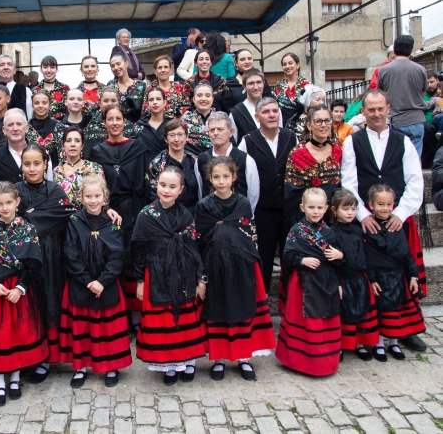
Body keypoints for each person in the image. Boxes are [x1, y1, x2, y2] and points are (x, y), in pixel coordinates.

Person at [341, 89, 428, 352]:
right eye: (371, 109)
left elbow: (415, 181)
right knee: (370, 275)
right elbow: (349, 181)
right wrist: (363, 215)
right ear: (363, 112)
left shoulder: (403, 141)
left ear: (388, 108)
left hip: (397, 218)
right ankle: (370, 334)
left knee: (403, 272)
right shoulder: (352, 142)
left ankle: (406, 329)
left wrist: (400, 213)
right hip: (365, 219)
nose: (376, 114)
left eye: (380, 109)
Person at [196, 156, 275, 381]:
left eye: (226, 176)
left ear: (234, 178)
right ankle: (219, 358)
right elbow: (202, 236)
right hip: (214, 265)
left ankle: (244, 357)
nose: (221, 181)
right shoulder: (203, 206)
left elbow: (247, 234)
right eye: (216, 177)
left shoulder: (242, 203)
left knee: (242, 308)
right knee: (218, 310)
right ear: (210, 179)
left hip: (241, 265)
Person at [0, 181, 47, 406]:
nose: (5, 208)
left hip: (18, 290)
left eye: (9, 203)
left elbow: (33, 262)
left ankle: (15, 378)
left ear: (17, 202)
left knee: (19, 331)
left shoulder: (26, 228)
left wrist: (20, 288)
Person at [10, 144, 77, 384]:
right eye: (26, 164)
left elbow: (70, 214)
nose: (31, 168)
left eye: (36, 163)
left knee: (48, 301)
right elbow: (4, 215)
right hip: (21, 256)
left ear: (45, 164)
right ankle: (28, 354)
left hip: (50, 255)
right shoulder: (15, 190)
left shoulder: (55, 190)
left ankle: (46, 357)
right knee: (27, 304)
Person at [133, 167, 207, 384]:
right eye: (163, 185)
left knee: (185, 320)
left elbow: (194, 249)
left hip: (184, 273)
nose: (166, 190)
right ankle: (169, 365)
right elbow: (137, 251)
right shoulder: (146, 215)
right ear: (156, 184)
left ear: (181, 190)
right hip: (155, 273)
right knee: (163, 321)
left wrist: (201, 279)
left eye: (172, 186)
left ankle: (188, 361)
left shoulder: (186, 215)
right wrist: (139, 281)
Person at [59, 174, 132, 387]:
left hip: (106, 283)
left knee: (106, 328)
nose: (92, 201)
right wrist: (87, 280)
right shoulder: (74, 221)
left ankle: (110, 366)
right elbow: (70, 252)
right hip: (80, 282)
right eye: (88, 196)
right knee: (81, 328)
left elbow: (118, 254)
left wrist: (102, 281)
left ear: (104, 197)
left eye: (97, 196)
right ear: (81, 197)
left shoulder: (113, 222)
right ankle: (80, 367)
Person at [90, 104, 150, 325]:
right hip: (108, 212)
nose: (114, 123)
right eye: (110, 119)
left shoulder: (138, 147)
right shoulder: (97, 151)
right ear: (104, 123)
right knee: (112, 259)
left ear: (125, 121)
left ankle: (136, 316)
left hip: (134, 209)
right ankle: (117, 316)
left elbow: (145, 183)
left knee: (134, 258)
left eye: (118, 118)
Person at [276, 187, 343, 376]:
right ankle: (300, 362)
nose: (315, 211)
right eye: (311, 207)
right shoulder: (296, 231)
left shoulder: (329, 232)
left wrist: (340, 255)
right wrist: (302, 260)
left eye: (319, 207)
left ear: (326, 209)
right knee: (305, 322)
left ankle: (325, 363)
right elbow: (287, 256)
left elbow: (341, 262)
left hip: (326, 282)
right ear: (302, 207)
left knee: (324, 321)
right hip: (303, 284)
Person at [238, 97, 298, 293]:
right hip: (263, 211)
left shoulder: (292, 137)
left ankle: (290, 303)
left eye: (274, 111)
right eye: (266, 112)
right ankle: (262, 308)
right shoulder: (247, 141)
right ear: (257, 116)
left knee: (291, 257)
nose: (271, 115)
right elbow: (242, 177)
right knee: (263, 258)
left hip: (290, 210)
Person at [362, 184, 426, 361]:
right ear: (371, 205)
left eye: (389, 204)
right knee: (381, 311)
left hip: (397, 275)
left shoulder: (397, 225)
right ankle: (379, 343)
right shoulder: (368, 227)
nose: (385, 208)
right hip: (379, 275)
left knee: (396, 309)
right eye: (380, 204)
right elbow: (369, 257)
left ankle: (395, 342)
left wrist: (412, 276)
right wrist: (373, 279)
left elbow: (406, 253)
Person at [329, 189, 380, 361]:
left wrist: (371, 278)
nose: (350, 213)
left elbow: (363, 254)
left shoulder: (358, 230)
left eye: (353, 209)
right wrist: (336, 282)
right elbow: (332, 260)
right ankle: (341, 345)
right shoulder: (331, 232)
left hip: (359, 276)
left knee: (361, 309)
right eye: (346, 209)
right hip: (343, 277)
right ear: (334, 210)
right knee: (344, 313)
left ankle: (359, 343)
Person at [283, 105, 341, 229]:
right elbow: (291, 194)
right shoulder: (298, 153)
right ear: (309, 125)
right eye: (318, 121)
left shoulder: (338, 151)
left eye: (327, 120)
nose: (324, 125)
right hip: (305, 219)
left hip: (334, 218)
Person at [377, 35, 428, 157]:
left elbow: (380, 94)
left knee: (395, 160)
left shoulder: (384, 70)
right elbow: (422, 93)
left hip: (394, 119)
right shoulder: (421, 69)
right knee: (414, 161)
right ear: (411, 49)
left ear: (394, 50)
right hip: (416, 119)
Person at [197, 113, 259, 212]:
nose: (215, 133)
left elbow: (253, 194)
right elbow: (201, 190)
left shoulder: (245, 159)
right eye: (212, 130)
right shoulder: (201, 159)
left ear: (231, 132)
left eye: (220, 129)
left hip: (238, 217)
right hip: (211, 218)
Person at [148, 119, 202, 215]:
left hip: (195, 212)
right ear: (166, 138)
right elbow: (154, 195)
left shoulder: (195, 161)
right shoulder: (158, 163)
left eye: (180, 135)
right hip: (168, 213)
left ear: (186, 137)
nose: (176, 139)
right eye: (172, 135)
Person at [0, 108, 53, 183]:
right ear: (4, 130)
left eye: (19, 124)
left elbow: (50, 184)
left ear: (27, 128)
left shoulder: (43, 153)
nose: (15, 128)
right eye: (10, 125)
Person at [53, 127, 105, 207]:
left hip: (87, 216)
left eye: (77, 141)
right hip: (61, 217)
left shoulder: (94, 168)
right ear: (63, 145)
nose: (73, 144)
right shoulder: (56, 171)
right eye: (68, 141)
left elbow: (103, 198)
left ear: (82, 145)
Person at [229, 69, 283, 144]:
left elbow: (280, 134)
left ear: (263, 83)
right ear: (244, 86)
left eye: (259, 82)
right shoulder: (235, 113)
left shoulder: (274, 108)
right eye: (251, 83)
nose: (256, 87)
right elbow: (232, 142)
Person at [83, 87, 137, 158]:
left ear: (118, 103)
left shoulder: (128, 126)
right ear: (100, 103)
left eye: (113, 100)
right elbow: (87, 155)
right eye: (105, 101)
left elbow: (134, 153)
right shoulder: (90, 126)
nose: (109, 104)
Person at [182, 49, 231, 113]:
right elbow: (185, 106)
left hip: (218, 118)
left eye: (207, 59)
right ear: (196, 63)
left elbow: (227, 104)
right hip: (195, 119)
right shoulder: (189, 83)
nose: (204, 62)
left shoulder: (220, 81)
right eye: (201, 59)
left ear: (211, 62)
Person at [107, 53, 147, 124]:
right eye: (112, 66)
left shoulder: (141, 86)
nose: (116, 67)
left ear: (126, 63)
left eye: (118, 64)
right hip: (115, 127)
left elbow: (146, 110)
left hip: (138, 128)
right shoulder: (111, 85)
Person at [135, 88, 172, 163]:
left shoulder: (172, 125)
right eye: (151, 100)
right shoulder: (139, 126)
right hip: (145, 167)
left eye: (158, 99)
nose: (155, 102)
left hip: (169, 167)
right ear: (147, 104)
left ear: (164, 103)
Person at [178, 82, 216, 155]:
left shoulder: (221, 119)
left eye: (207, 96)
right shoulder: (185, 121)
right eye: (199, 95)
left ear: (212, 99)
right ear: (193, 99)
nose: (203, 99)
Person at [30, 91, 66, 166]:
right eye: (36, 103)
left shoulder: (59, 127)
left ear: (50, 105)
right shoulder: (27, 127)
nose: (40, 106)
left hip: (55, 165)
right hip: (33, 165)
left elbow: (63, 150)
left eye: (44, 103)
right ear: (32, 106)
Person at [273, 53, 308, 127]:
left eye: (290, 63)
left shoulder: (306, 85)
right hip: (282, 124)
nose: (287, 66)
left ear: (298, 65)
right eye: (284, 64)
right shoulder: (278, 86)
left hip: (300, 125)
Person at [31, 56, 70, 120]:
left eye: (52, 67)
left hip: (60, 126)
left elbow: (69, 111)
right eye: (45, 67)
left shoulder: (64, 88)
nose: (49, 70)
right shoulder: (35, 90)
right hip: (40, 127)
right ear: (41, 69)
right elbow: (34, 112)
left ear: (56, 69)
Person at [421, 71, 440, 168]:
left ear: (437, 80)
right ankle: (428, 161)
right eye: (427, 83)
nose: (429, 85)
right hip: (427, 125)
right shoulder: (422, 95)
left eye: (432, 82)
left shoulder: (440, 93)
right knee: (426, 128)